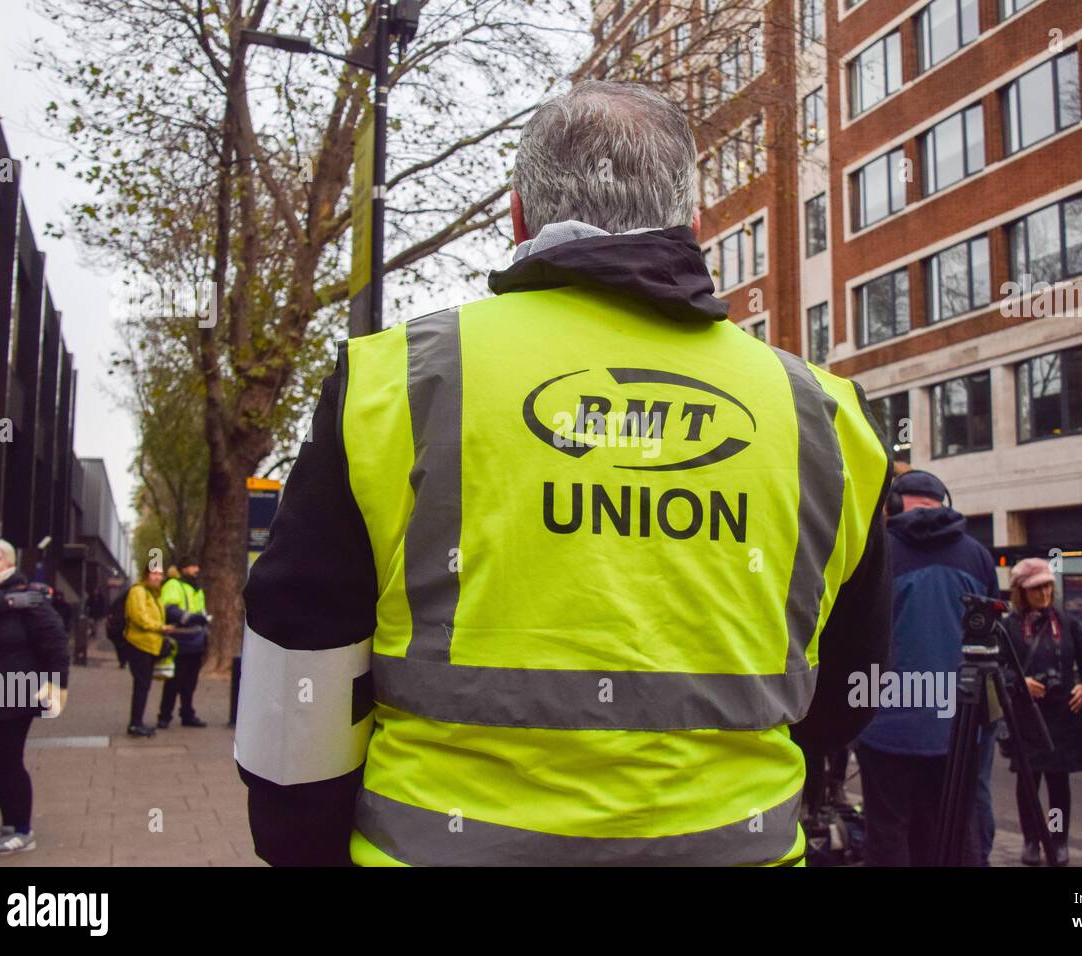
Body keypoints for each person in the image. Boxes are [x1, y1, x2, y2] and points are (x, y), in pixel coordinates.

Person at [236, 80, 893, 867]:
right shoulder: (824, 413)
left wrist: (300, 846)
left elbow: (299, 643)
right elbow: (852, 681)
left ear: (519, 215)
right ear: (693, 221)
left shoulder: (392, 382)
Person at [854, 469, 997, 867]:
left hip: (885, 725)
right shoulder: (977, 556)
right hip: (958, 725)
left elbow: (851, 636)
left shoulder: (875, 552)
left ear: (896, 504)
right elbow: (991, 641)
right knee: (954, 828)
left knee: (888, 833)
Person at [0, 539, 69, 856]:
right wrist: (5, 603)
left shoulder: (30, 599)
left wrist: (58, 688)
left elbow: (55, 644)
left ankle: (20, 829)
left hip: (9, 700)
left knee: (6, 765)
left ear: (9, 565)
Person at [1000, 557, 1082, 867]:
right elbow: (996, 669)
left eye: (1047, 586)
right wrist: (1020, 682)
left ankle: (1057, 840)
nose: (1044, 594)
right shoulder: (1007, 627)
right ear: (1020, 591)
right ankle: (1031, 839)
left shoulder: (1066, 623)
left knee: (1059, 784)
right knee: (1028, 783)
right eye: (1036, 589)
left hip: (1062, 713)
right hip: (1026, 715)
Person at [123, 566, 175, 738]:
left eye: (160, 574)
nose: (157, 577)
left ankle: (137, 722)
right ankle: (135, 724)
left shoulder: (154, 593)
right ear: (146, 575)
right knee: (141, 685)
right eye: (154, 573)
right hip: (140, 644)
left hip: (151, 644)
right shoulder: (138, 591)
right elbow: (139, 617)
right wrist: (160, 627)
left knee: (144, 685)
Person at [158, 558, 209, 728]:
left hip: (196, 641)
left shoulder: (197, 588)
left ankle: (187, 714)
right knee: (174, 682)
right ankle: (164, 716)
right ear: (183, 568)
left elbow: (200, 611)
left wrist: (203, 621)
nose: (197, 569)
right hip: (179, 641)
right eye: (193, 566)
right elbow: (169, 609)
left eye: (197, 565)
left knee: (190, 683)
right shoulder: (174, 585)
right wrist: (189, 618)